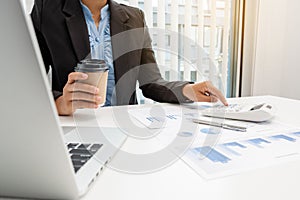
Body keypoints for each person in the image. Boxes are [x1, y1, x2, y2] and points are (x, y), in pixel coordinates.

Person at [31, 0, 228, 116]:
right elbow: (27, 85)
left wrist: (188, 90)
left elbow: (151, 82)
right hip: (74, 125)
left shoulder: (134, 18)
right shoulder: (46, 12)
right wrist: (61, 103)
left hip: (123, 127)